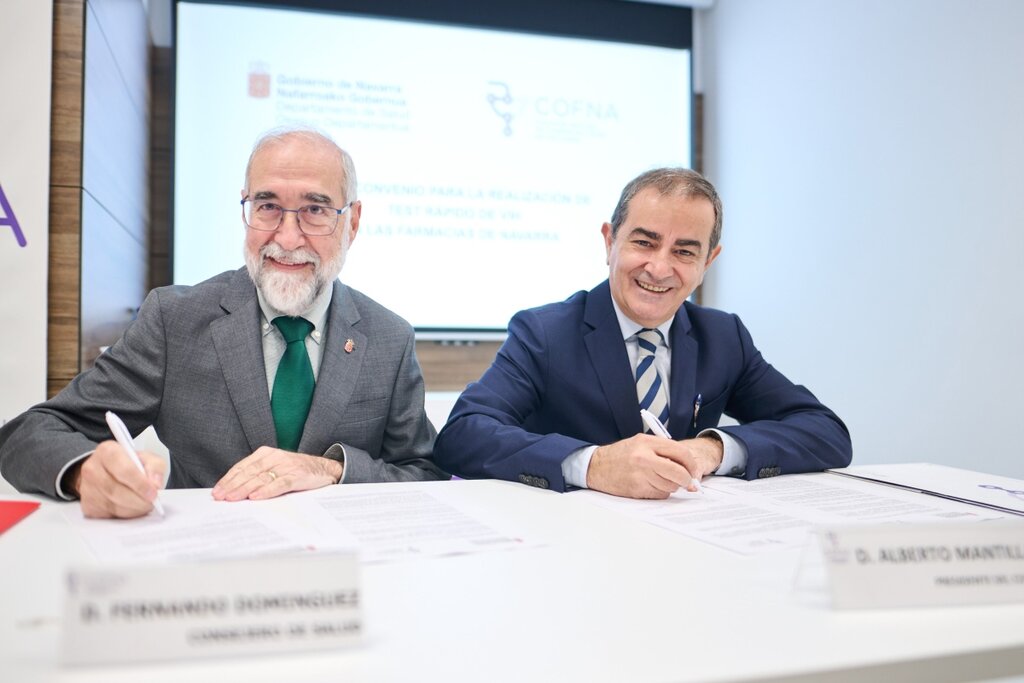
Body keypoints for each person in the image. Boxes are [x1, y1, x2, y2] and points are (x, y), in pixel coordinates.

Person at [0, 128, 445, 517]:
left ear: (352, 224)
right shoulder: (174, 321)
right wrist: (84, 472)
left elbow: (425, 473)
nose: (288, 239)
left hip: (347, 579)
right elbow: (28, 434)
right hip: (206, 577)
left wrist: (331, 469)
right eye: (267, 206)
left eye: (315, 210)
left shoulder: (389, 338)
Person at [433, 168, 851, 499]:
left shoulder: (724, 337)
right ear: (609, 241)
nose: (659, 268)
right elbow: (463, 436)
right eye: (645, 243)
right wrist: (593, 465)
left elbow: (824, 431)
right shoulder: (545, 332)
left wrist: (711, 449)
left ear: (709, 261)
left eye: (685, 251)